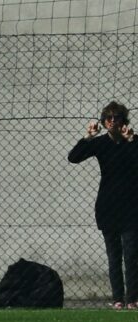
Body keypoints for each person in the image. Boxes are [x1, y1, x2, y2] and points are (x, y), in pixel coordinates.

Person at [68, 101, 138, 310]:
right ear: (104, 121)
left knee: (132, 255)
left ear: (124, 121)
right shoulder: (100, 144)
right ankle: (118, 299)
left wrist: (132, 140)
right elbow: (73, 157)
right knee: (114, 257)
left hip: (132, 208)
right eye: (109, 118)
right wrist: (88, 137)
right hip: (108, 207)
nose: (113, 122)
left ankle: (133, 299)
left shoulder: (134, 142)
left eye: (117, 118)